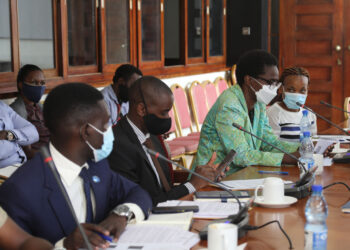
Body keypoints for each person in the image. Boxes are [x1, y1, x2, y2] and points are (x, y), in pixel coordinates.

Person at [0, 83, 152, 249]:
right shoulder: (20, 190)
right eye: (106, 125)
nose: (110, 131)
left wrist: (121, 214)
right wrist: (64, 245)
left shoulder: (97, 166)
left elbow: (137, 193)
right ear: (86, 131)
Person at [108, 76, 226, 205]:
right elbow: (141, 203)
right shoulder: (117, 145)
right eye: (164, 113)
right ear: (141, 109)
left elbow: (166, 188)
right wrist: (192, 184)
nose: (168, 118)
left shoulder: (153, 135)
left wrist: (204, 177)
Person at [192, 50, 301, 175]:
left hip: (244, 175)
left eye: (276, 83)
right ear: (249, 80)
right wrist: (288, 158)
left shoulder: (258, 104)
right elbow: (241, 155)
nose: (274, 88)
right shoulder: (229, 105)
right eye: (270, 82)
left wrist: (300, 148)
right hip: (213, 180)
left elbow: (270, 143)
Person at [267, 67, 317, 142]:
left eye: (302, 90)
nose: (297, 94)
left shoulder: (310, 114)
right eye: (291, 90)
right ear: (281, 89)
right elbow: (272, 146)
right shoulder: (273, 113)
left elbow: (313, 142)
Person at [10, 64, 50, 159]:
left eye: (42, 82)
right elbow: (27, 151)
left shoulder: (41, 107)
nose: (39, 87)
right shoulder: (16, 112)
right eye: (34, 82)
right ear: (21, 85)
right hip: (41, 160)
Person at [0, 100, 39, 168]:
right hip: (5, 169)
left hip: (23, 164)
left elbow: (34, 133)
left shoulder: (2, 106)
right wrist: (17, 142)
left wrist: (8, 135)